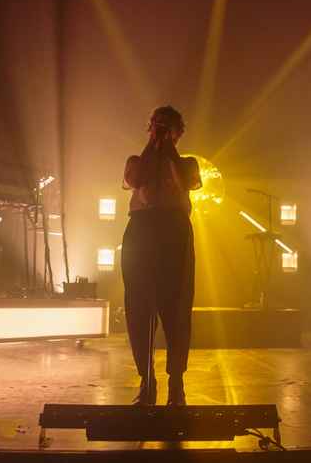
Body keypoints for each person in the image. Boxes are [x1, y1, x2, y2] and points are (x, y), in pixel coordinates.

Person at [121, 105, 202, 406]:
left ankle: (176, 385)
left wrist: (168, 148)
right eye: (155, 125)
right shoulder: (136, 160)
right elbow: (135, 179)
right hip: (142, 230)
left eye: (167, 127)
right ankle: (147, 382)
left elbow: (187, 181)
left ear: (178, 133)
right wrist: (153, 144)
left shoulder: (187, 163)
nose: (160, 130)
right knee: (139, 307)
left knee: (177, 306)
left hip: (174, 230)